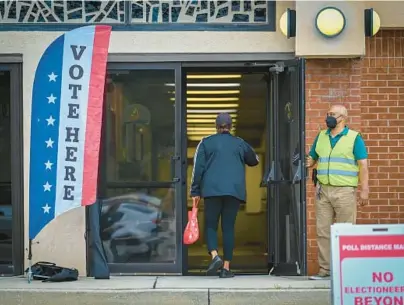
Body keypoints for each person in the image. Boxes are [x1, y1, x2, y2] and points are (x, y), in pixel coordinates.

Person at [190, 112, 259, 278]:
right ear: (230, 126)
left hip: (212, 190)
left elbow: (198, 169)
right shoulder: (240, 143)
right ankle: (226, 268)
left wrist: (195, 191)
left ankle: (215, 256)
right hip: (234, 192)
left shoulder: (206, 143)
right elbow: (253, 160)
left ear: (216, 126)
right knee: (228, 228)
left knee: (211, 225)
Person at [306, 104, 369, 280]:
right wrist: (304, 161)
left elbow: (363, 164)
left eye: (332, 114)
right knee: (323, 231)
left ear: (343, 118)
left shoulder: (354, 137)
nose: (329, 117)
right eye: (328, 114)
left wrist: (364, 189)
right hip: (323, 190)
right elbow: (312, 158)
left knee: (346, 231)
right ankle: (325, 270)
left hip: (344, 191)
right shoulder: (321, 136)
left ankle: (346, 271)